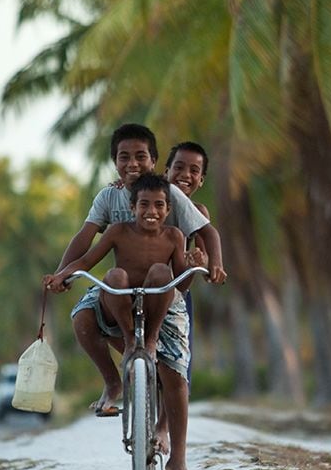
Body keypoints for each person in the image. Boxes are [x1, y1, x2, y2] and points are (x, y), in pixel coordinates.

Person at [48, 123, 227, 418]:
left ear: (153, 162)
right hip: (124, 288)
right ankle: (117, 377)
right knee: (85, 315)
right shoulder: (110, 197)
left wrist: (210, 264)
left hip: (167, 289)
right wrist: (62, 273)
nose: (132, 164)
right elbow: (85, 239)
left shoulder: (171, 196)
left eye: (140, 157)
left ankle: (163, 430)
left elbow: (207, 234)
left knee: (176, 371)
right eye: (124, 157)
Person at [45, 173, 202, 470]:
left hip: (160, 300)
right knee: (114, 274)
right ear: (131, 207)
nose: (151, 211)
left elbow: (180, 287)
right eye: (144, 204)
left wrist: (190, 266)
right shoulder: (117, 231)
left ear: (168, 208)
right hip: (122, 298)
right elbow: (89, 259)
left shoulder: (174, 236)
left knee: (163, 273)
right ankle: (131, 343)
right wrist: (62, 274)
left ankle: (179, 463)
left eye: (159, 205)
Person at [164, 141, 210, 388]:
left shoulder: (197, 210)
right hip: (142, 287)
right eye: (178, 167)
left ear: (201, 180)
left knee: (178, 365)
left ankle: (163, 424)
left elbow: (204, 250)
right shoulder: (147, 199)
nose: (185, 175)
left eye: (194, 171)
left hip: (177, 292)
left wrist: (202, 261)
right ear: (165, 171)